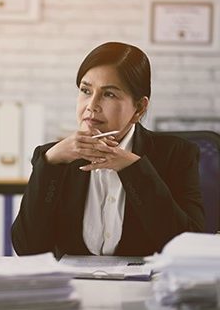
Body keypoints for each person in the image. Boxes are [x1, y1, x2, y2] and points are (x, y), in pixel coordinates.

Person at [11, 41, 204, 258]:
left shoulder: (177, 154)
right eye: (85, 90)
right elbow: (27, 249)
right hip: (75, 288)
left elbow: (189, 246)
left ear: (139, 108)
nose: (91, 105)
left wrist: (134, 169)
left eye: (109, 94)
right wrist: (50, 163)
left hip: (143, 290)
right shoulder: (53, 157)